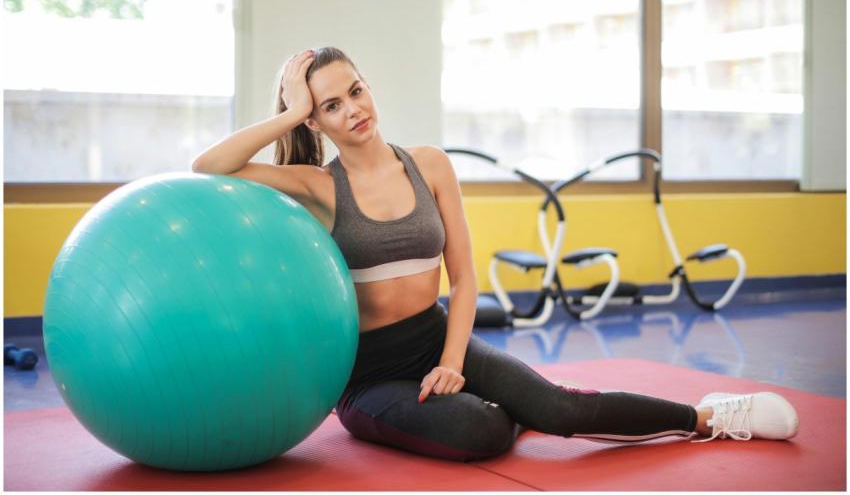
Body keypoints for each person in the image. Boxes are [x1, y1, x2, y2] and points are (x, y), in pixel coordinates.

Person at [191, 46, 799, 460]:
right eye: (330, 105)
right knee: (478, 430)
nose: (353, 109)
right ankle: (510, 404)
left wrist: (453, 360)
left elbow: (463, 277)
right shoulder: (319, 187)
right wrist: (292, 111)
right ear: (317, 121)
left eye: (355, 90)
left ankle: (710, 416)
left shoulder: (428, 164)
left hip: (436, 339)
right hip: (368, 375)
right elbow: (207, 166)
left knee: (560, 407)